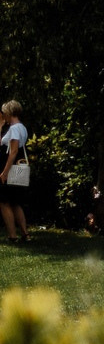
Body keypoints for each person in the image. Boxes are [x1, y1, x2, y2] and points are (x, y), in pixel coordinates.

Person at [0, 101, 29, 243]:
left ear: (9, 112)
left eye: (4, 112)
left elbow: (14, 151)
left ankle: (12, 235)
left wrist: (5, 172)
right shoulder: (21, 127)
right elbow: (2, 143)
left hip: (11, 167)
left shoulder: (14, 129)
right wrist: (0, 126)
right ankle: (25, 233)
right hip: (19, 167)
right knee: (15, 202)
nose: (3, 115)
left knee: (4, 202)